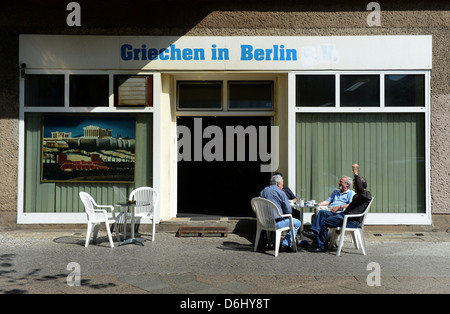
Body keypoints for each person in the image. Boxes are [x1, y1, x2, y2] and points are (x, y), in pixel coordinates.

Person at [302, 164, 372, 253]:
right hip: (343, 215)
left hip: (351, 221)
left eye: (354, 184)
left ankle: (320, 245)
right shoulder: (358, 195)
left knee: (324, 222)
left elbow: (359, 189)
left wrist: (355, 172)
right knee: (323, 213)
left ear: (360, 186)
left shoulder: (366, 195)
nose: (353, 186)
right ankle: (314, 233)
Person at [260, 174, 301, 252]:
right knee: (297, 222)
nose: (282, 186)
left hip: (264, 222)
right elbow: (289, 211)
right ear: (278, 184)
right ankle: (285, 244)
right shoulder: (281, 192)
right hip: (276, 224)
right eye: (282, 184)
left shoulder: (263, 191)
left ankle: (276, 243)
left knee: (276, 217)